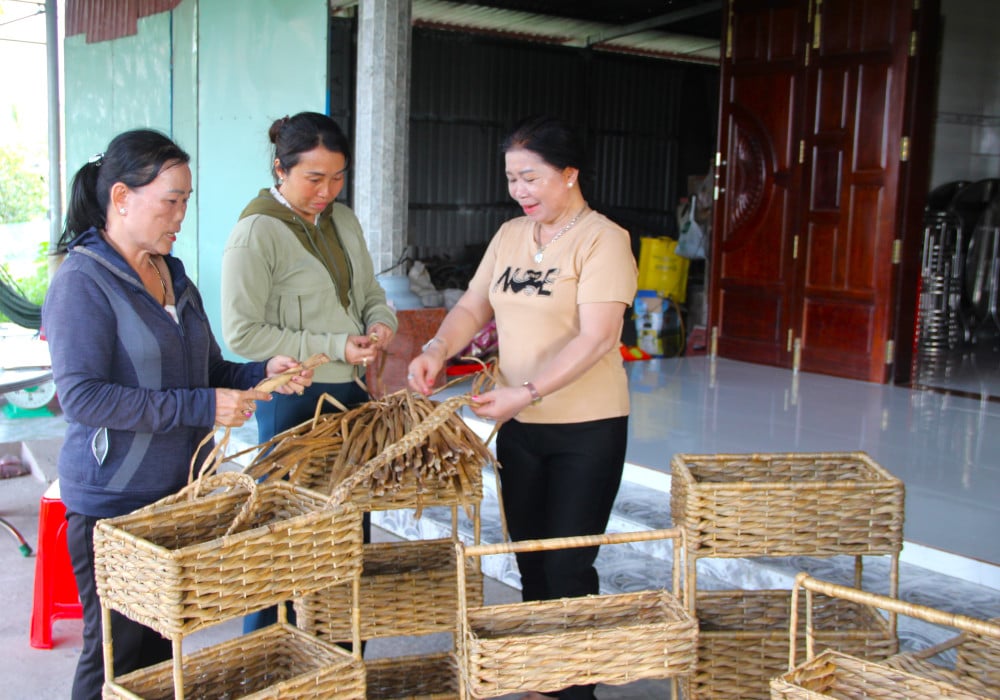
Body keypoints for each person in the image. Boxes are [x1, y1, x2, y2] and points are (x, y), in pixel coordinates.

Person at [43, 129, 315, 700]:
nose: (181, 214)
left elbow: (209, 370)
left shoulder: (174, 274)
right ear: (121, 197)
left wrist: (264, 371)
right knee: (115, 655)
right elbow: (83, 398)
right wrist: (200, 406)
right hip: (113, 507)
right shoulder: (82, 281)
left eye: (187, 200)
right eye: (171, 200)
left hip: (176, 497)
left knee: (161, 656)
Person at [408, 115, 637, 700]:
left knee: (567, 565)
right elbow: (472, 306)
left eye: (531, 178)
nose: (520, 191)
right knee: (530, 560)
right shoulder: (511, 234)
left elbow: (598, 338)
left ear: (570, 174)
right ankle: (543, 675)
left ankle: (572, 688)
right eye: (512, 179)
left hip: (586, 428)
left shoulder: (603, 240)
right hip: (518, 428)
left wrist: (528, 392)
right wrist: (437, 348)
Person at [221, 111, 397, 632]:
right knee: (285, 542)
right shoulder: (256, 232)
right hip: (294, 406)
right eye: (313, 178)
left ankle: (340, 660)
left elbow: (368, 293)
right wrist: (333, 344)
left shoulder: (343, 220)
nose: (327, 190)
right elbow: (242, 333)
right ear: (280, 169)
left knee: (345, 539)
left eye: (338, 177)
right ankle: (268, 660)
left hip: (353, 401)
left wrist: (379, 323)